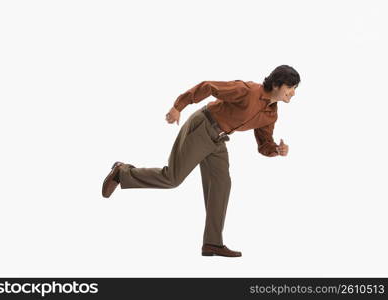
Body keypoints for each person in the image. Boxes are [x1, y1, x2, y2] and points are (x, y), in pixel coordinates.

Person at [102, 65, 301, 257]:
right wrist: (178, 106)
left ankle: (212, 243)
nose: (292, 93)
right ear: (276, 84)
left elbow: (264, 144)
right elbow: (208, 86)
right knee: (172, 178)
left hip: (219, 139)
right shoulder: (247, 90)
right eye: (290, 87)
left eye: (295, 89)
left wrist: (276, 149)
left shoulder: (271, 114)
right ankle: (122, 173)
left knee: (221, 185)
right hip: (204, 125)